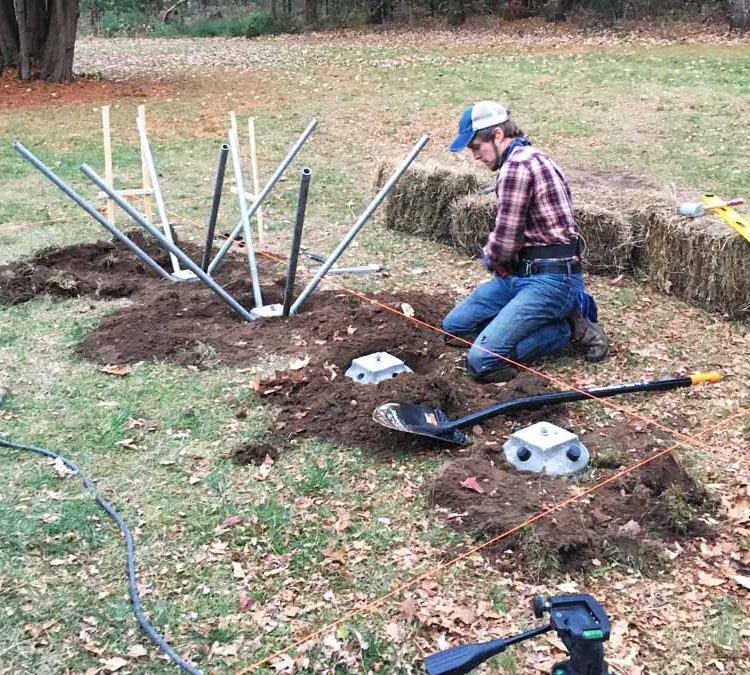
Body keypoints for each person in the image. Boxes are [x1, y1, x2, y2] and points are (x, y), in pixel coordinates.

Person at [443, 101, 609, 383]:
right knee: (454, 328)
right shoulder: (528, 157)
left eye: (475, 147)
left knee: (483, 361)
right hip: (522, 273)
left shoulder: (516, 168)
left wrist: (489, 257)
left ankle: (567, 327)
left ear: (497, 135)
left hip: (552, 281)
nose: (475, 157)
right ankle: (538, 319)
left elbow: (505, 242)